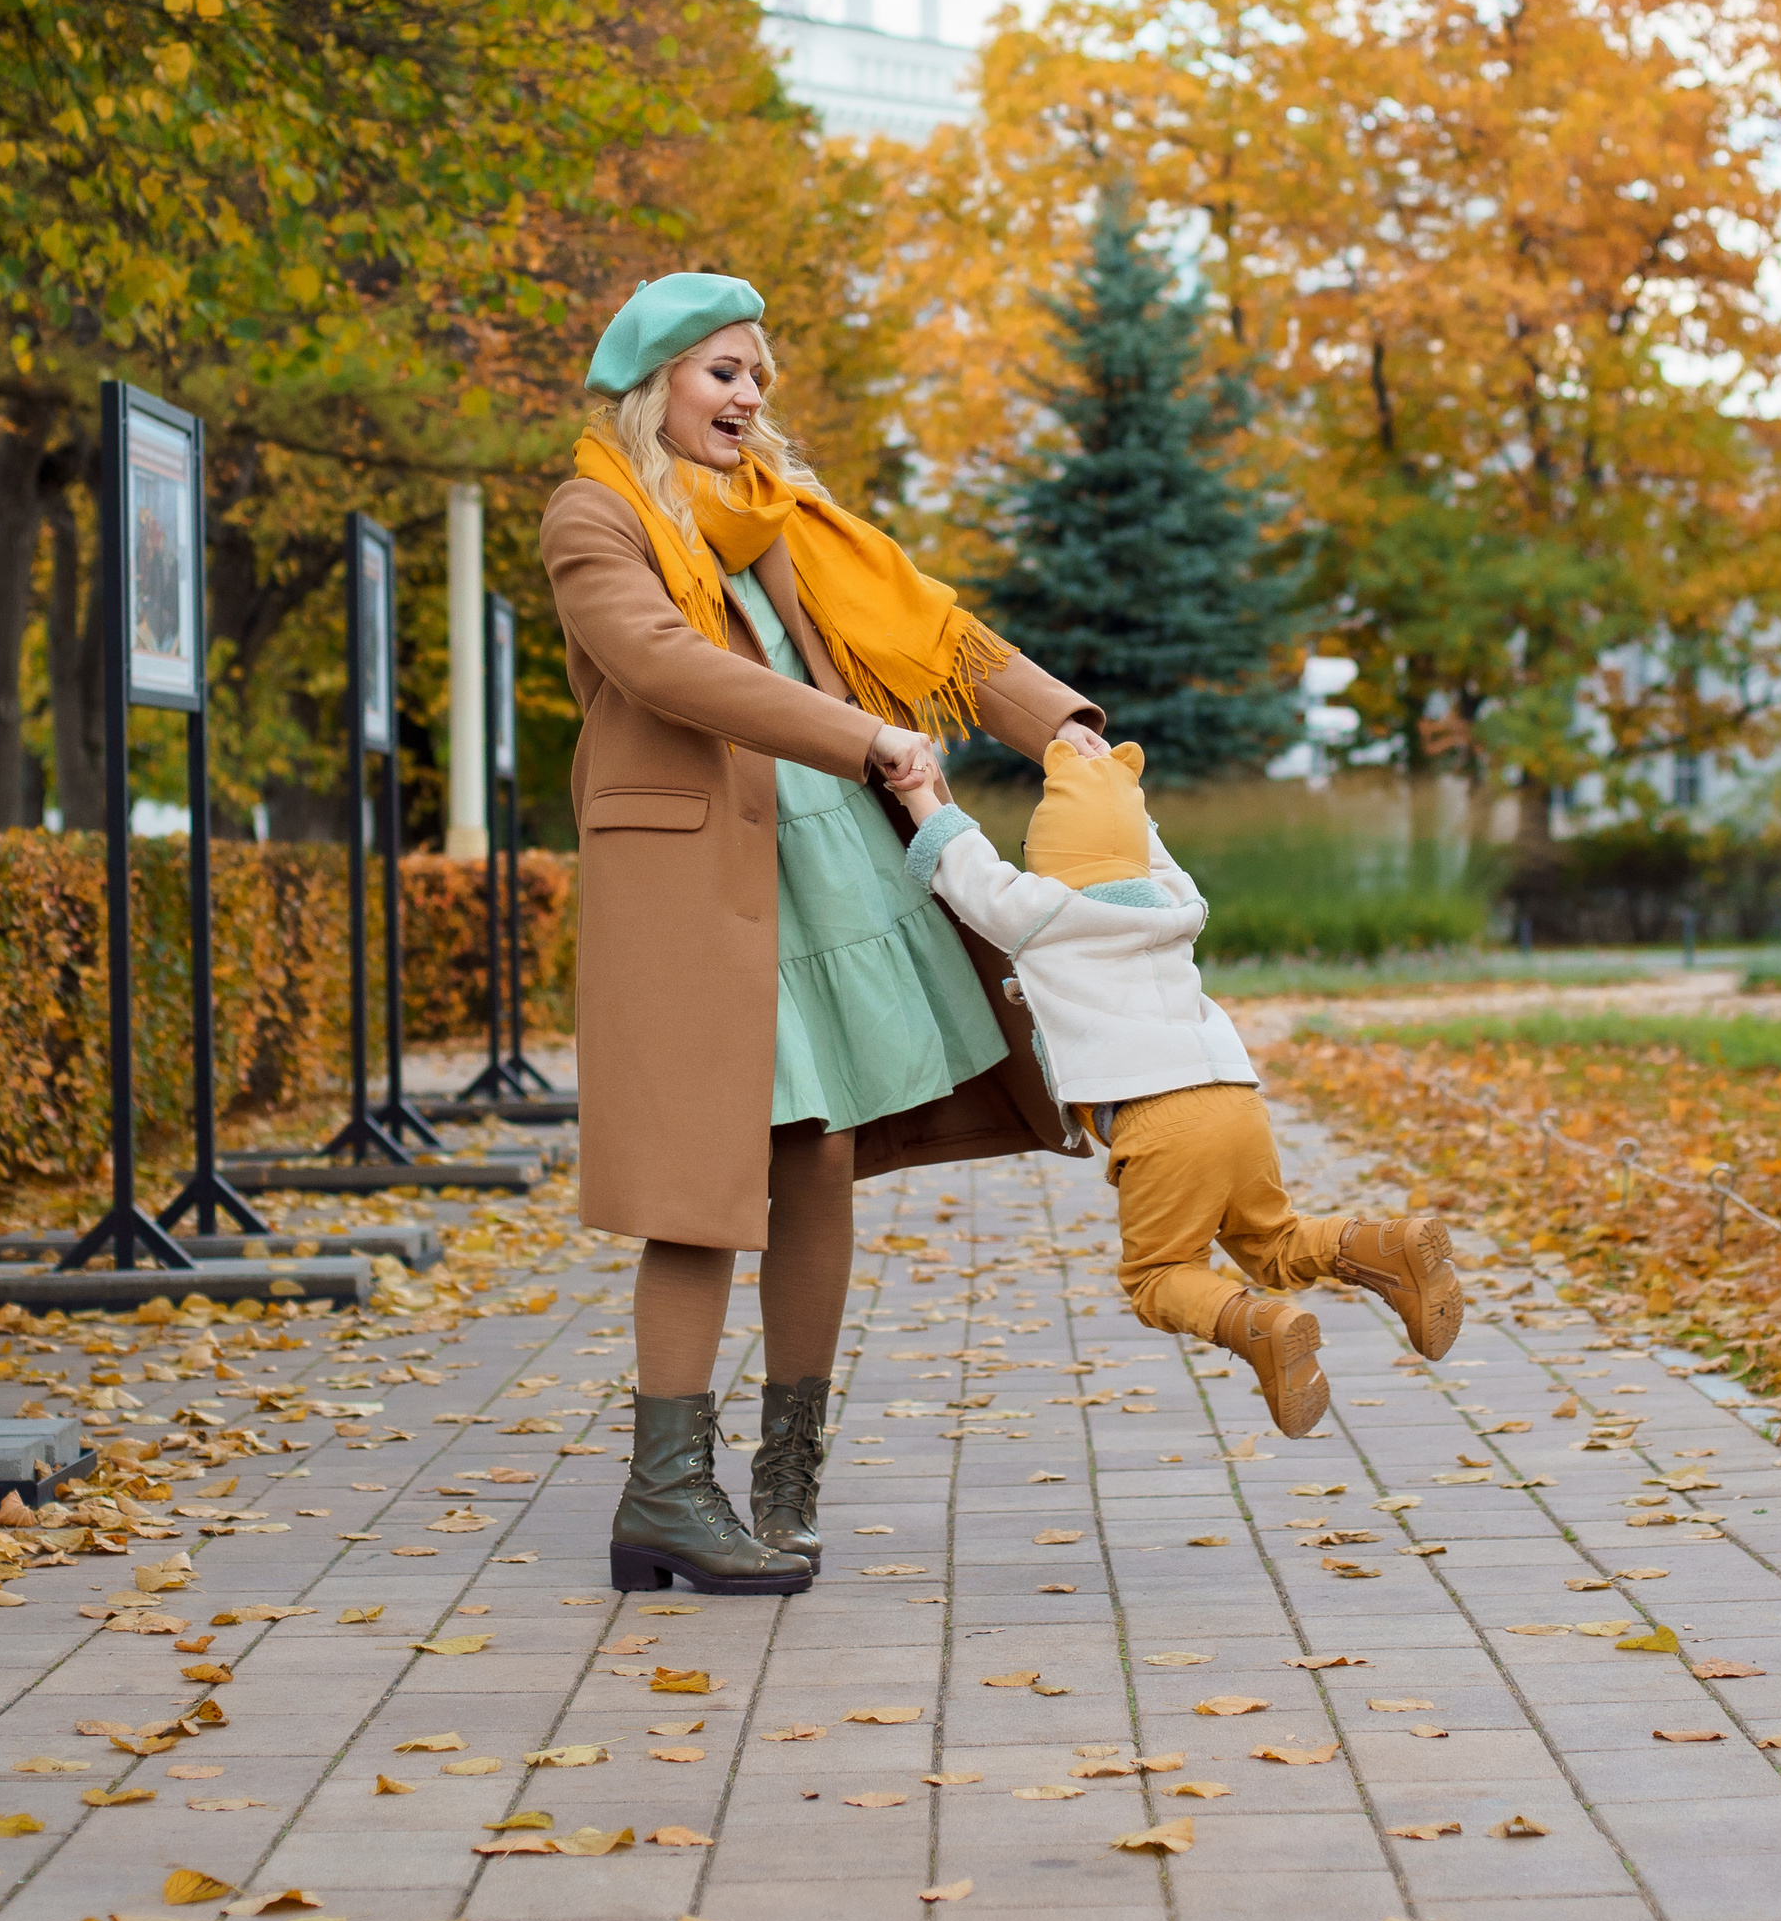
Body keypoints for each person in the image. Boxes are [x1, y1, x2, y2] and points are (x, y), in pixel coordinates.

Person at [540, 269, 1109, 1595]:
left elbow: (936, 630)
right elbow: (662, 665)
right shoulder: (594, 515)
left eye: (758, 377)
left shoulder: (784, 520)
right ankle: (665, 1493)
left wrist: (1060, 726)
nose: (748, 395)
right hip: (695, 880)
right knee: (698, 1188)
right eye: (723, 370)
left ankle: (784, 1480)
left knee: (817, 1152)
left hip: (829, 866)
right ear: (654, 384)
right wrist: (865, 735)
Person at [882, 730, 1463, 1428]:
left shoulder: (1040, 915)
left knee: (1158, 1277)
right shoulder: (1174, 905)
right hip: (1233, 1096)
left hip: (1157, 1117)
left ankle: (1260, 1328)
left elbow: (966, 870)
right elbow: (1147, 851)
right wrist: (1124, 796)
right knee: (1273, 1242)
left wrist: (919, 790)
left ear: (1046, 856)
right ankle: (1385, 1247)